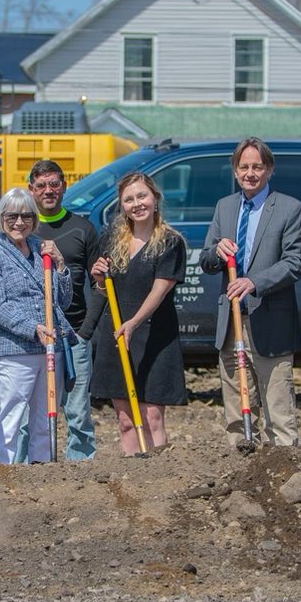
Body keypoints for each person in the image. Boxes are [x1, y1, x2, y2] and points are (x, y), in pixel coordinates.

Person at [201, 138, 301, 446]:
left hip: (270, 322)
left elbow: (295, 263)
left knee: (278, 411)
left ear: (269, 170)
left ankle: (283, 466)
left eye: (257, 167)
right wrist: (217, 252)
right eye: (244, 167)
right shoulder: (224, 207)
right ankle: (242, 463)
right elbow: (206, 259)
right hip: (231, 322)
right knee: (237, 412)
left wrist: (254, 282)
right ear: (235, 171)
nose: (250, 173)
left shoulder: (290, 209)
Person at [88, 171, 185, 454]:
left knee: (151, 416)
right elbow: (104, 289)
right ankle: (133, 474)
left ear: (155, 198)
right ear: (122, 206)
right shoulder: (111, 239)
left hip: (154, 334)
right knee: (126, 421)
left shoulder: (170, 242)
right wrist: (98, 278)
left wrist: (134, 323)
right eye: (129, 199)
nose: (137, 204)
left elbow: (159, 290)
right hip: (118, 334)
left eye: (142, 196)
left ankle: (157, 474)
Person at [0, 186, 71, 464]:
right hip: (16, 350)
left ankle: (41, 470)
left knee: (45, 418)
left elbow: (62, 301)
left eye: (26, 216)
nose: (19, 222)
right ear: (1, 218)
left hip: (51, 348)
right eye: (12, 216)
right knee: (9, 416)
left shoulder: (43, 250)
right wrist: (32, 328)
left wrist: (60, 266)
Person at [30, 159, 101, 462]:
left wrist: (86, 331)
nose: (48, 191)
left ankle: (79, 471)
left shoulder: (83, 229)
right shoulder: (23, 228)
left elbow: (100, 283)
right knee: (34, 411)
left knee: (78, 411)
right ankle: (33, 466)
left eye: (54, 184)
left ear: (64, 186)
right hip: (35, 336)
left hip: (74, 333)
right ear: (31, 189)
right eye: (41, 185)